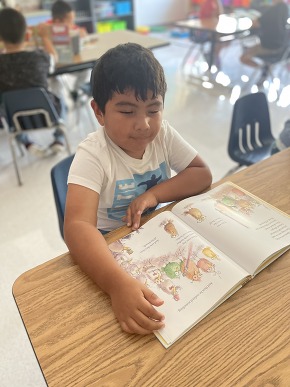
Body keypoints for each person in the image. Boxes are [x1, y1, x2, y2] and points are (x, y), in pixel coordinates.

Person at [64, 43, 212, 335]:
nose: (144, 124)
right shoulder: (93, 154)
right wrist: (116, 285)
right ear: (99, 112)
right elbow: (77, 226)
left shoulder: (163, 134)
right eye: (128, 111)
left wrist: (153, 194)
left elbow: (201, 174)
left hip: (156, 232)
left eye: (153, 109)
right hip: (110, 244)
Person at [0, 7, 65, 156]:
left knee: (5, 108)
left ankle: (26, 142)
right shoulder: (40, 57)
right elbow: (54, 57)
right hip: (48, 115)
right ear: (28, 35)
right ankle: (59, 138)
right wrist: (45, 38)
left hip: (15, 122)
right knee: (60, 98)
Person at [44, 0, 90, 101]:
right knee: (55, 82)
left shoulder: (72, 28)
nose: (72, 24)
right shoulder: (46, 29)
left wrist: (82, 34)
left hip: (71, 63)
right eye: (69, 21)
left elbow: (82, 35)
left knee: (85, 70)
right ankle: (59, 103)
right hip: (54, 68)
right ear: (57, 21)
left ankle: (76, 92)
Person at [240, 0, 288, 77]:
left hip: (269, 47)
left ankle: (263, 70)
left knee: (243, 58)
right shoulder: (285, 8)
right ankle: (265, 69)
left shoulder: (272, 11)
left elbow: (255, 23)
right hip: (283, 48)